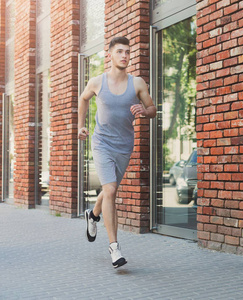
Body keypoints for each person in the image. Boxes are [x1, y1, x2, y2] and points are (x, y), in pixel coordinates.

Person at [78, 36, 157, 268]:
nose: (124, 55)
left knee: (109, 190)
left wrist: (144, 110)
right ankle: (114, 248)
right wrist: (80, 125)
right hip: (101, 142)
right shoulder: (97, 82)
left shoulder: (138, 83)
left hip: (124, 145)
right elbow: (83, 99)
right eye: (120, 51)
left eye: (127, 52)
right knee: (110, 189)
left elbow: (152, 109)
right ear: (110, 55)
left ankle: (92, 215)